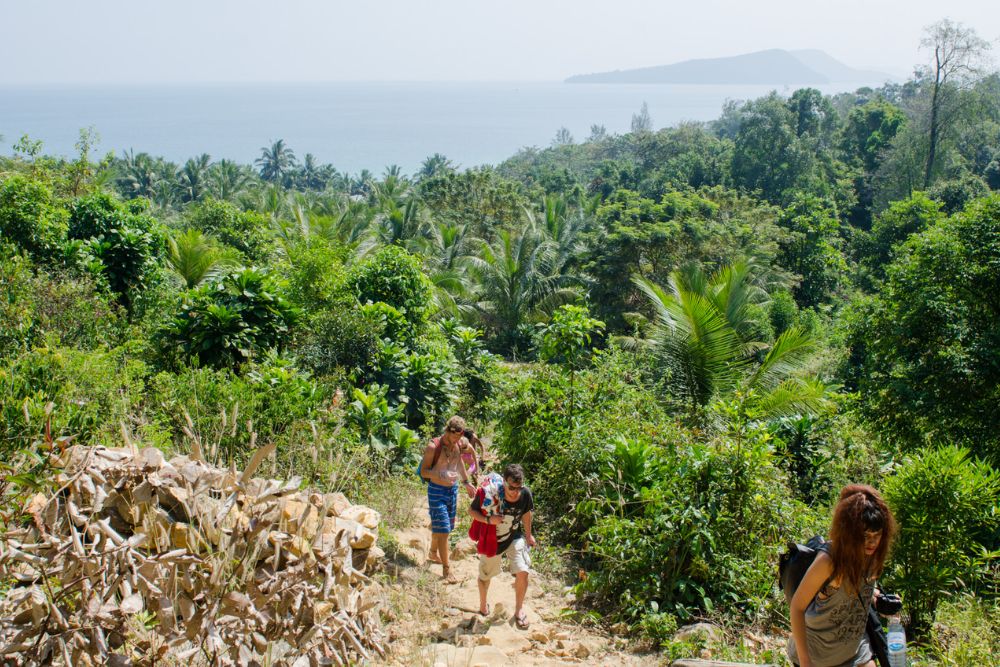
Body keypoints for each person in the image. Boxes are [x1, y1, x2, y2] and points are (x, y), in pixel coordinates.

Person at [788, 484, 897, 667]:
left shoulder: (873, 555)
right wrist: (806, 662)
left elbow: (858, 588)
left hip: (854, 652)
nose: (871, 542)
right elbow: (797, 608)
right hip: (817, 655)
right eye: (865, 536)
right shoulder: (830, 560)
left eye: (877, 535)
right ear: (851, 533)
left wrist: (877, 598)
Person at [469, 463, 536, 629]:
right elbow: (472, 511)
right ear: (504, 482)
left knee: (523, 571)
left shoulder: (525, 494)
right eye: (511, 487)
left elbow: (526, 513)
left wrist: (528, 535)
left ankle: (519, 610)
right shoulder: (490, 495)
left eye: (518, 488)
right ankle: (483, 606)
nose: (515, 492)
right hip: (492, 540)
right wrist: (488, 520)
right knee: (485, 576)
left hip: (514, 536)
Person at [421, 416, 477, 583]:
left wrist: (466, 482)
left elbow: (459, 461)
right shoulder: (433, 447)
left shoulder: (459, 443)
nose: (455, 442)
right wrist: (440, 474)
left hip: (452, 490)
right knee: (444, 530)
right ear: (447, 431)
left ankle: (432, 552)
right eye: (453, 438)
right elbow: (424, 472)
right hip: (436, 490)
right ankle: (447, 570)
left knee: (446, 526)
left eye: (458, 438)